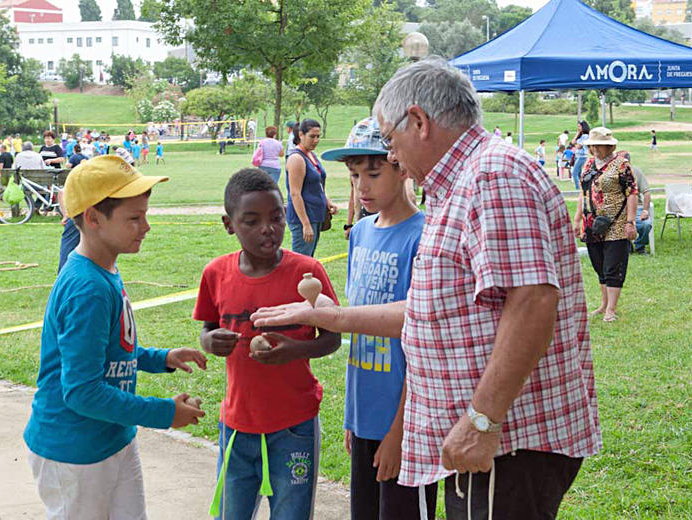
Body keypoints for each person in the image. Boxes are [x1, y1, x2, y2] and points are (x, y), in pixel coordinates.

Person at [253, 58, 601, 520]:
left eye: (390, 141)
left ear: (418, 121)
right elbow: (431, 310)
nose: (393, 157)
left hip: (508, 443)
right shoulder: (456, 184)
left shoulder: (492, 175)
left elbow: (533, 300)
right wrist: (328, 317)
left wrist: (482, 420)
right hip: (488, 442)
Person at [23, 155, 207, 518]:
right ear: (93, 218)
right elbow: (82, 391)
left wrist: (160, 358)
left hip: (112, 438)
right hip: (74, 451)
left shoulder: (104, 268)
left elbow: (109, 352)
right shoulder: (87, 288)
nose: (146, 227)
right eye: (134, 218)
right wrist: (164, 412)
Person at [194, 168, 341, 520]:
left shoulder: (307, 273)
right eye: (252, 221)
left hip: (294, 425)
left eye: (276, 217)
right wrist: (210, 342)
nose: (268, 228)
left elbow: (333, 337)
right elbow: (207, 330)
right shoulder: (216, 274)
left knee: (291, 513)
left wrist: (295, 350)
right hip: (237, 425)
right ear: (229, 224)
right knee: (231, 513)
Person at [321, 119, 436, 520]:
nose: (362, 187)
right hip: (365, 418)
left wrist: (399, 430)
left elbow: (424, 346)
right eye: (354, 176)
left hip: (407, 424)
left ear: (402, 168)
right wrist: (353, 418)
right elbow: (359, 326)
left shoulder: (424, 236)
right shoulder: (360, 233)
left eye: (373, 173)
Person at [573, 127, 638, 323]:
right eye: (593, 146)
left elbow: (632, 193)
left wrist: (630, 221)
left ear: (610, 146)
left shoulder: (622, 165)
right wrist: (577, 219)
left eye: (599, 146)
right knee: (599, 265)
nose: (595, 149)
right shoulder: (588, 164)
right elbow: (583, 193)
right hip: (591, 224)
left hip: (616, 223)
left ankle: (611, 309)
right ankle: (603, 304)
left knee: (613, 267)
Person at [285, 119, 338, 257]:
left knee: (309, 259)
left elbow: (317, 184)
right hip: (303, 218)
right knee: (302, 261)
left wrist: (327, 201)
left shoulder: (311, 155)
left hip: (316, 216)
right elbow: (295, 193)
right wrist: (305, 224)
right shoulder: (296, 158)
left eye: (318, 136)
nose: (316, 140)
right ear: (301, 135)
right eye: (312, 136)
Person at [621, 152, 652, 254]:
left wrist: (645, 210)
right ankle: (627, 245)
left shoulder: (636, 172)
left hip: (637, 207)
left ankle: (640, 245)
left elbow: (646, 192)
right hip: (620, 209)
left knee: (645, 225)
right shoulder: (613, 173)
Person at [571, 120, 590, 190]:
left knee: (574, 173)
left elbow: (578, 146)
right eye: (578, 126)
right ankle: (582, 188)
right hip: (577, 156)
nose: (578, 128)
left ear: (583, 127)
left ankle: (578, 189)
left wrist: (576, 144)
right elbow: (572, 142)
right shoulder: (581, 136)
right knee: (578, 174)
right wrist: (577, 134)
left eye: (579, 126)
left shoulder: (585, 136)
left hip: (582, 156)